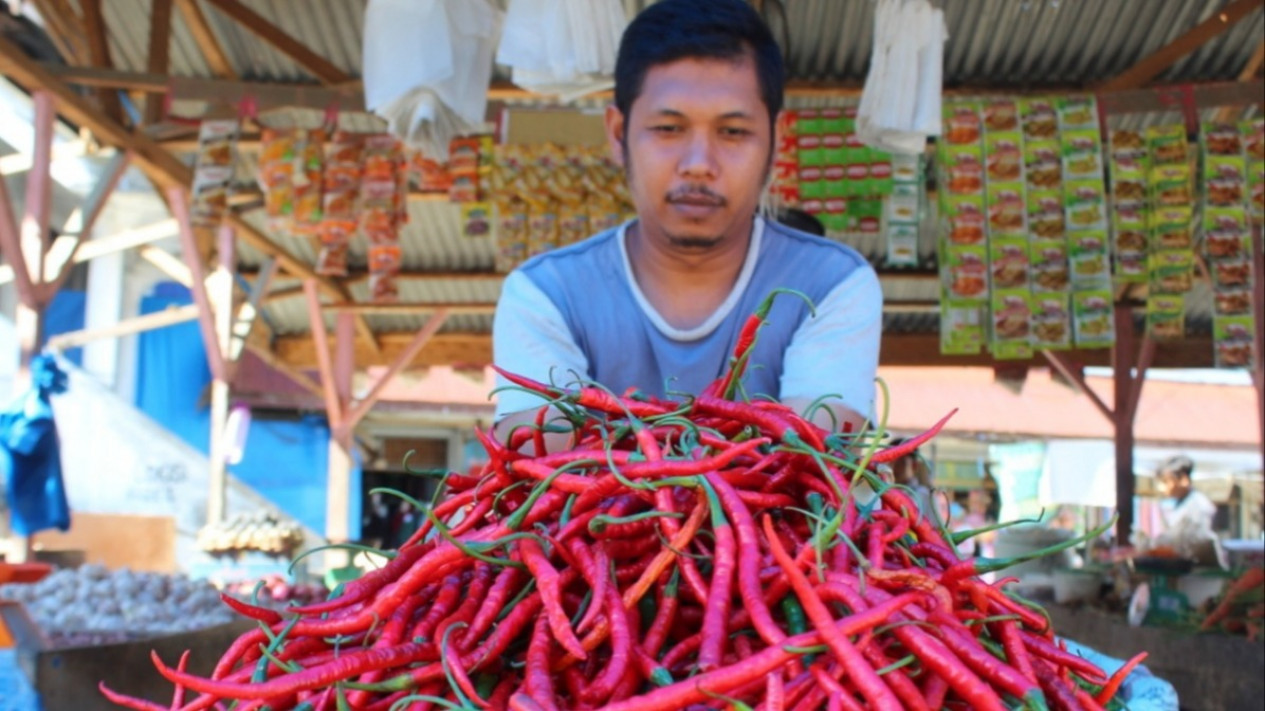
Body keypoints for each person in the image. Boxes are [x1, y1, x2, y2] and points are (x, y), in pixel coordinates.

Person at [492, 0, 882, 438]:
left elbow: (817, 456)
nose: (698, 164)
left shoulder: (832, 285)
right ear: (618, 135)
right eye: (668, 128)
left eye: (732, 132)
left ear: (776, 140)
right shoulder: (546, 296)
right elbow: (536, 458)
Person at [1152, 454, 1223, 566]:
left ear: (1183, 480)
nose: (1162, 488)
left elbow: (1192, 544)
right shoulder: (1177, 504)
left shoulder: (1199, 506)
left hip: (1200, 570)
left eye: (1166, 482)